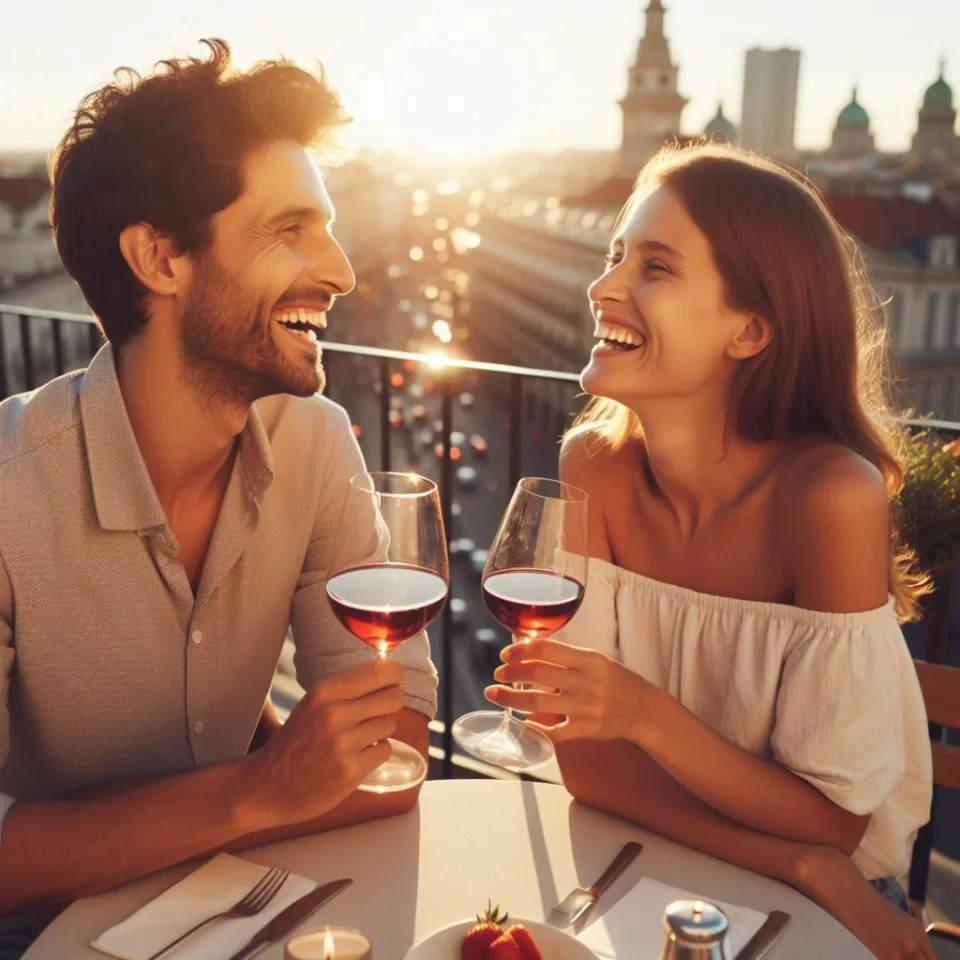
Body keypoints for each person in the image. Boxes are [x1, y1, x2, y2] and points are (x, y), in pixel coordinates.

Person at [0, 38, 437, 938]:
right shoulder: (9, 488)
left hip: (261, 905)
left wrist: (109, 820)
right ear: (159, 260)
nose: (342, 271)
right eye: (291, 229)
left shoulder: (314, 444)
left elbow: (393, 761)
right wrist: (258, 784)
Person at [487, 143, 936, 959]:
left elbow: (835, 823)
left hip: (832, 902)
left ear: (750, 330)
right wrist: (796, 857)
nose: (603, 287)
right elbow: (586, 766)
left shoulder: (831, 495)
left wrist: (644, 716)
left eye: (655, 267)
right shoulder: (593, 464)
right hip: (683, 859)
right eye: (616, 254)